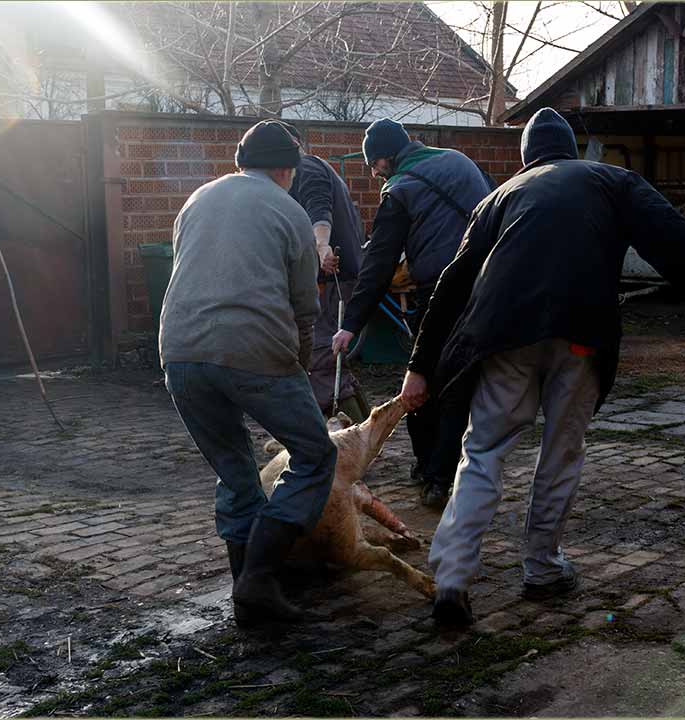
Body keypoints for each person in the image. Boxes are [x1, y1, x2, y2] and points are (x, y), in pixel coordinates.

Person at [401, 107, 685, 626]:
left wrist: (421, 365)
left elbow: (452, 284)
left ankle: (452, 580)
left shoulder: (498, 198)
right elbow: (672, 237)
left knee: (482, 451)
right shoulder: (610, 179)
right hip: (580, 333)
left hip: (502, 337)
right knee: (562, 449)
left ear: (525, 158)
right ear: (570, 150)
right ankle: (542, 569)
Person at [159, 120, 337, 627]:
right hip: (254, 350)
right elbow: (305, 307)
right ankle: (260, 575)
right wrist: (300, 367)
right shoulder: (291, 211)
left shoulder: (196, 199)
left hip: (180, 351)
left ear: (242, 162)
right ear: (287, 169)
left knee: (236, 473)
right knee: (315, 453)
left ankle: (247, 593)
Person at [331, 118, 493, 509]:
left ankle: (431, 474)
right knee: (468, 382)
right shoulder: (459, 161)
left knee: (421, 380)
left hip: (441, 292)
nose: (373, 173)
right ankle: (459, 469)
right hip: (490, 286)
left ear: (385, 158)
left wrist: (351, 324)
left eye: (373, 165)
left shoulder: (400, 188)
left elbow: (379, 264)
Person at [285, 126, 369, 423]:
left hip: (332, 278)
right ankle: (365, 431)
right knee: (331, 360)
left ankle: (350, 440)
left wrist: (321, 247)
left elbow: (319, 209)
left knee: (322, 358)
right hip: (337, 276)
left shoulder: (306, 167)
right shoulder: (313, 168)